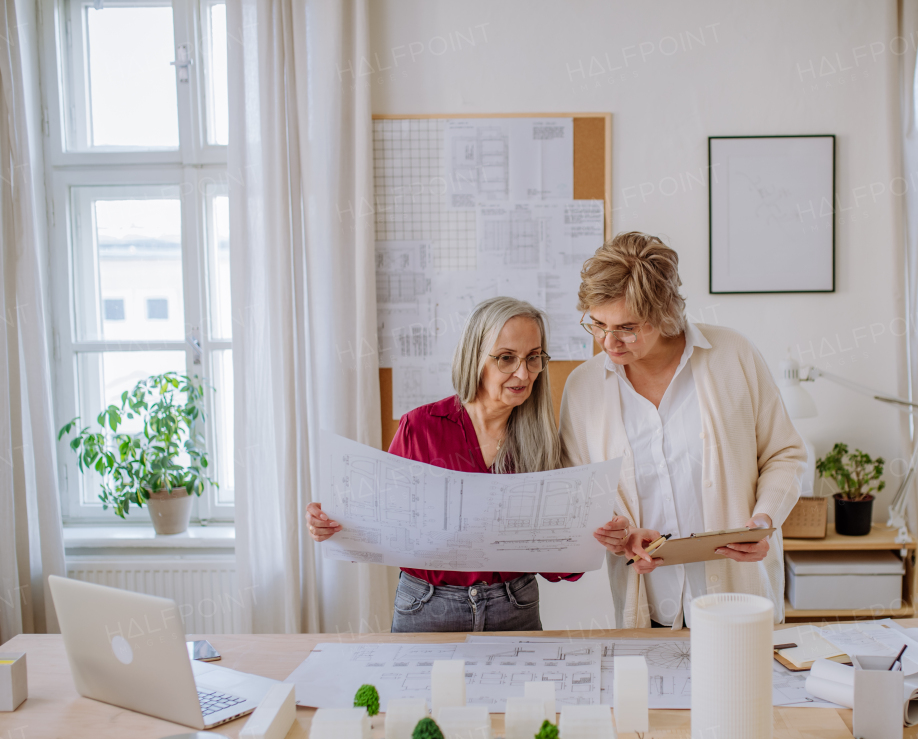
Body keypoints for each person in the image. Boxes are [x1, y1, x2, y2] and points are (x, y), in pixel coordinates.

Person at [559, 232, 808, 629]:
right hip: (648, 604)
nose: (608, 342)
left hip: (737, 599)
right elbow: (579, 490)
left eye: (626, 327)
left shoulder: (733, 356)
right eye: (597, 324)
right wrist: (618, 532)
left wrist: (765, 520)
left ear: (663, 313)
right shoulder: (583, 388)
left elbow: (785, 454)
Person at [306, 297, 577, 632]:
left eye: (533, 358)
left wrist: (588, 539)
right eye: (507, 358)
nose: (523, 373)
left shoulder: (544, 441)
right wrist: (335, 526)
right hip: (427, 605)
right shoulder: (420, 428)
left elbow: (557, 565)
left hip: (514, 606)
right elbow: (376, 526)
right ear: (475, 357)